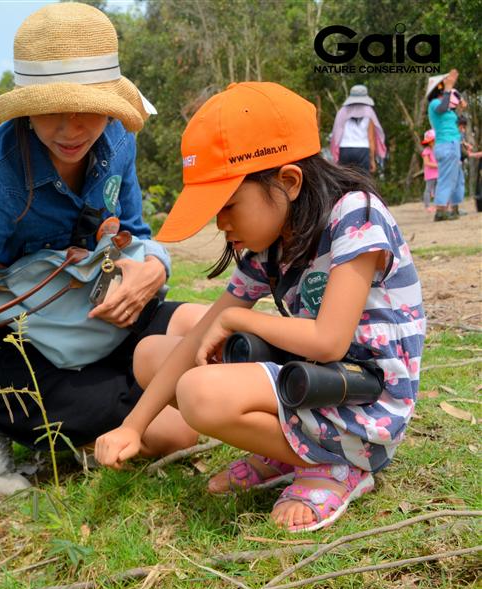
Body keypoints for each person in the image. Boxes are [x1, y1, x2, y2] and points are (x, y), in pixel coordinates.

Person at [95, 82, 424, 533]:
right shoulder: (268, 248)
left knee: (199, 393)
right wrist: (132, 427)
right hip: (311, 381)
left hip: (365, 405)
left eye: (228, 205)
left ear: (288, 182)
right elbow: (198, 337)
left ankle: (334, 466)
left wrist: (237, 318)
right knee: (151, 355)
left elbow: (330, 341)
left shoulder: (355, 215)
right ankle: (289, 450)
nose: (221, 223)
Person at [0, 3, 199, 506]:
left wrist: (154, 269)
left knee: (203, 327)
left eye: (87, 107)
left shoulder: (118, 138)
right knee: (179, 431)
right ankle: (4, 423)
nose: (71, 129)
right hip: (20, 348)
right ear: (26, 107)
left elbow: (135, 233)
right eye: (52, 110)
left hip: (96, 313)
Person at [427, 69, 467, 221]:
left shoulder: (447, 108)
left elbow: (455, 119)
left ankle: (454, 208)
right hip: (446, 145)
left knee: (457, 177)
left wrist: (460, 106)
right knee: (446, 178)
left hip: (452, 144)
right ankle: (440, 211)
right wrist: (448, 87)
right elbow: (442, 107)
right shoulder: (434, 103)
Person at [330, 84, 387, 175]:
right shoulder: (369, 111)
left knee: (345, 179)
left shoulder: (343, 111)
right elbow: (371, 139)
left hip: (345, 149)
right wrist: (372, 160)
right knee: (363, 179)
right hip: (362, 150)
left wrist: (336, 155)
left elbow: (336, 134)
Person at [420, 129, 438, 212]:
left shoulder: (437, 150)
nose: (432, 142)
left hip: (438, 173)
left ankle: (436, 205)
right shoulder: (426, 151)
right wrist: (438, 165)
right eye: (430, 141)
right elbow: (426, 163)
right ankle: (427, 206)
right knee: (428, 190)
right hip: (430, 174)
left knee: (437, 190)